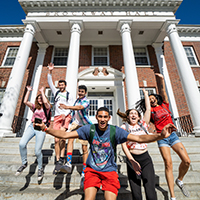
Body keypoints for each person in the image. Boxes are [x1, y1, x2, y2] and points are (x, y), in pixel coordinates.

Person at [36, 107, 176, 200]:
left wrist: (160, 136)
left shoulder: (116, 131)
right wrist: (46, 129)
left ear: (109, 118)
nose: (102, 119)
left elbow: (139, 138)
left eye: (105, 117)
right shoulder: (89, 129)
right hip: (92, 171)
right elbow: (65, 135)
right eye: (100, 116)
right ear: (96, 117)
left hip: (110, 171)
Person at [136, 73, 191, 200]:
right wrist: (145, 98)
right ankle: (172, 196)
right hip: (162, 137)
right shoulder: (151, 112)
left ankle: (179, 180)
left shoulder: (164, 105)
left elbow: (163, 91)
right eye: (149, 99)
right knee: (168, 163)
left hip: (173, 136)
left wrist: (161, 79)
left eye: (152, 97)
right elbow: (146, 118)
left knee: (187, 161)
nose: (151, 99)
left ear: (156, 98)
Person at [117, 88, 157, 200]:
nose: (133, 115)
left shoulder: (143, 124)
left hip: (145, 158)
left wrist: (145, 94)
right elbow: (124, 145)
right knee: (136, 191)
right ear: (128, 117)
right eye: (131, 114)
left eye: (135, 113)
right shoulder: (124, 127)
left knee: (150, 189)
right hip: (132, 159)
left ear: (139, 117)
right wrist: (131, 160)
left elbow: (148, 109)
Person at [59, 85, 92, 188]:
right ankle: (68, 163)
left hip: (84, 125)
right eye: (79, 91)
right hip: (75, 124)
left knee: (84, 147)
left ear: (85, 93)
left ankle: (84, 170)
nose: (80, 93)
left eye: (82, 91)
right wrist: (66, 113)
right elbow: (74, 110)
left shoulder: (86, 101)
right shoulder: (76, 100)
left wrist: (67, 107)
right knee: (70, 140)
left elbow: (79, 108)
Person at [15, 86, 51, 181]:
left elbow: (46, 103)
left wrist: (42, 92)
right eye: (38, 98)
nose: (40, 99)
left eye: (41, 98)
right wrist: (28, 91)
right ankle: (24, 163)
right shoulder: (35, 108)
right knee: (22, 144)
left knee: (37, 151)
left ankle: (40, 169)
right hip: (32, 127)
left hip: (41, 129)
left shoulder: (47, 108)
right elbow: (25, 102)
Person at [47, 62, 74, 174]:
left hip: (66, 117)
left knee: (62, 138)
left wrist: (65, 113)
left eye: (62, 85)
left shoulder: (69, 95)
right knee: (56, 140)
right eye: (59, 84)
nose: (61, 86)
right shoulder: (56, 92)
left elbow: (71, 106)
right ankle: (58, 160)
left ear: (65, 86)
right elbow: (49, 81)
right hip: (57, 117)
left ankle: (62, 157)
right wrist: (50, 71)